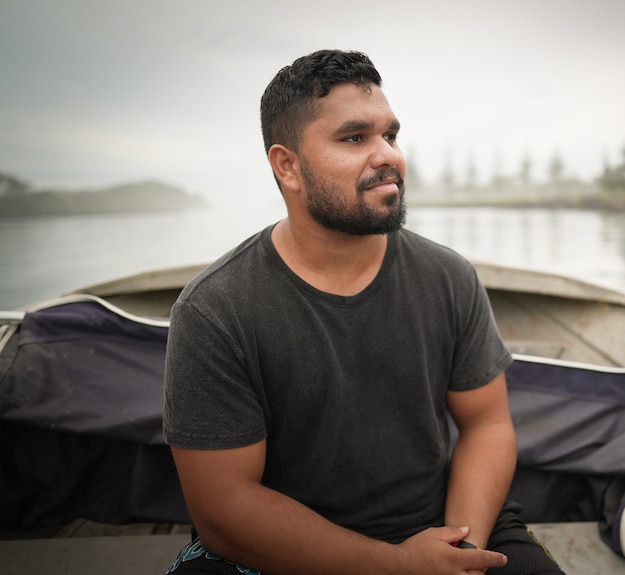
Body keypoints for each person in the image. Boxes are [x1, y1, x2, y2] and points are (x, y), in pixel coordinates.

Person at [163, 49, 564, 575]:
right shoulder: (217, 310)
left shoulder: (448, 277)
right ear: (288, 166)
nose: (388, 155)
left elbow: (487, 424)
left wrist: (457, 553)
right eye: (355, 138)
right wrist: (395, 566)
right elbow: (226, 508)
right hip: (281, 551)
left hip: (441, 524)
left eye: (390, 135)